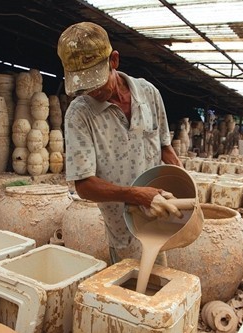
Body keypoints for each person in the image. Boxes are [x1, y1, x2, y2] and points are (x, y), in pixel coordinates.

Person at [57, 22, 184, 264]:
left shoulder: (149, 94)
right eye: (84, 86)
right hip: (121, 224)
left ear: (114, 61)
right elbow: (84, 185)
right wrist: (136, 195)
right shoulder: (79, 114)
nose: (92, 91)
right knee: (128, 289)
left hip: (157, 212)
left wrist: (182, 181)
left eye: (96, 81)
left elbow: (165, 147)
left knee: (158, 280)